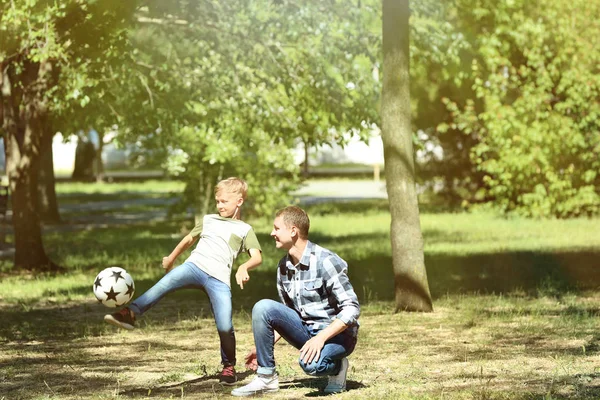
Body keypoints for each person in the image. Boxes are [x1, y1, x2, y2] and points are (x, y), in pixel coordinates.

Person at [104, 177, 262, 385]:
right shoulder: (208, 220)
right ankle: (130, 313)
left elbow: (257, 256)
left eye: (224, 201)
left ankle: (228, 366)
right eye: (217, 201)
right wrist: (171, 258)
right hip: (193, 267)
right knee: (164, 284)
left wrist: (244, 266)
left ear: (239, 202)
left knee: (225, 325)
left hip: (219, 279)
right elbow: (189, 239)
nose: (219, 205)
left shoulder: (244, 229)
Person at [232, 206, 360, 396]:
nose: (271, 233)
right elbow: (287, 314)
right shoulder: (283, 266)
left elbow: (352, 308)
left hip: (338, 336)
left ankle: (338, 367)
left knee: (312, 366)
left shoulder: (326, 261)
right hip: (307, 331)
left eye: (276, 228)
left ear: (293, 231)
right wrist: (263, 348)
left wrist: (321, 338)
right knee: (263, 307)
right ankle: (266, 378)